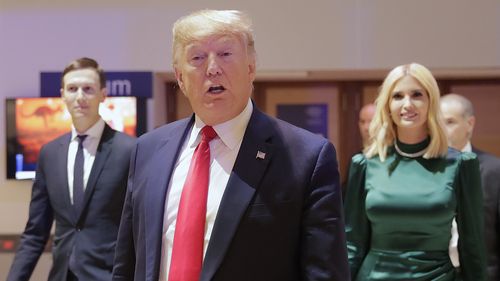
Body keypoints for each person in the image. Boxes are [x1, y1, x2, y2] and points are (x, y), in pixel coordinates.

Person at [112, 9, 349, 281]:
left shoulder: (306, 157)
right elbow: (126, 264)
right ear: (179, 77)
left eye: (225, 54)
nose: (212, 68)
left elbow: (325, 273)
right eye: (197, 57)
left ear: (251, 67)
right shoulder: (147, 150)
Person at [344, 63, 487, 280]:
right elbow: (352, 243)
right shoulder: (364, 164)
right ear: (387, 105)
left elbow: (472, 246)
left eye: (417, 95)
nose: (407, 104)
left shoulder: (461, 164)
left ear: (431, 102)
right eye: (398, 96)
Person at [7, 57, 136, 281]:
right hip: (61, 275)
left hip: (109, 275)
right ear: (62, 95)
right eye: (72, 89)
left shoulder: (130, 150)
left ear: (103, 94)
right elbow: (35, 233)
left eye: (88, 89)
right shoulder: (49, 153)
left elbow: (140, 226)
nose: (80, 96)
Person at [441, 93, 500, 281]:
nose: (443, 129)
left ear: (470, 124)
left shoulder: (494, 170)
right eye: (438, 122)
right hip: (436, 273)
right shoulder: (424, 170)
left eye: (450, 122)